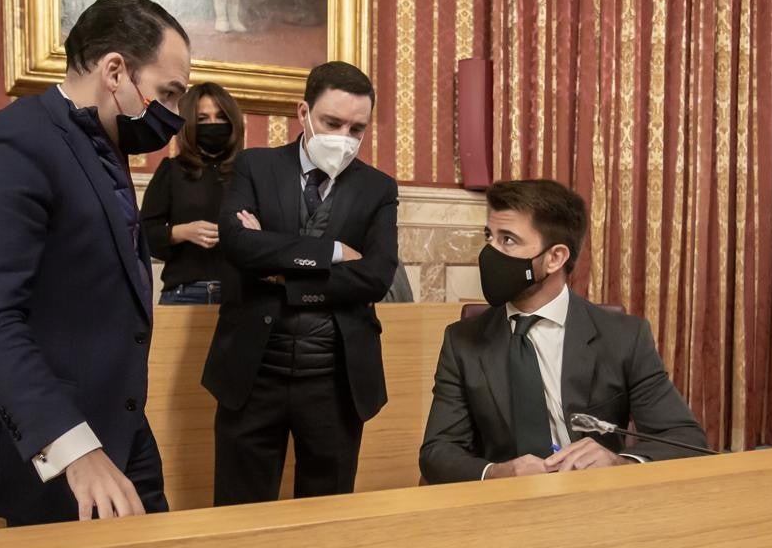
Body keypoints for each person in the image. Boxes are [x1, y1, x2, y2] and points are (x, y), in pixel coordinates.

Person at [0, 0, 191, 526]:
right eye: (168, 92)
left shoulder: (102, 141)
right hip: (55, 444)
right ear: (115, 70)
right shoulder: (11, 144)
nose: (174, 112)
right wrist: (74, 451)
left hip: (120, 421)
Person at [419, 180, 708, 484]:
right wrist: (497, 472)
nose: (490, 252)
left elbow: (685, 439)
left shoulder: (624, 337)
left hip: (595, 500)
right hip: (504, 503)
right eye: (489, 237)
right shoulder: (463, 340)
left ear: (555, 257)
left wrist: (621, 461)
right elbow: (438, 452)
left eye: (508, 240)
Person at [203, 61, 399, 505]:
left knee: (326, 521)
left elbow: (376, 275)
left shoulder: (378, 188)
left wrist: (280, 268)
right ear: (303, 112)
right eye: (332, 122)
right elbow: (237, 245)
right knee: (239, 516)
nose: (344, 138)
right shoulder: (255, 165)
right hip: (252, 373)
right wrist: (332, 252)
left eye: (357, 129)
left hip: (335, 379)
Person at [141, 82, 244, 305]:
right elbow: (143, 236)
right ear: (189, 123)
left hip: (240, 293)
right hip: (184, 292)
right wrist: (181, 232)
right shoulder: (172, 170)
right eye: (203, 119)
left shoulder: (249, 171)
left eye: (221, 117)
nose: (214, 124)